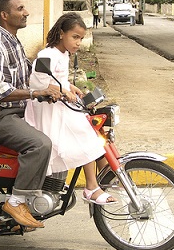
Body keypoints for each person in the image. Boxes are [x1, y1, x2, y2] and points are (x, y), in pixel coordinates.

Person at [0, 0, 61, 228]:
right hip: (3, 115)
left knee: (59, 134)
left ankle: (28, 201)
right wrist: (36, 93)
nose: (26, 13)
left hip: (23, 110)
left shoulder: (12, 40)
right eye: (20, 9)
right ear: (5, 15)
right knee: (40, 144)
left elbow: (30, 74)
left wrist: (63, 87)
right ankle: (16, 201)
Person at [25, 12, 117, 205]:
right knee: (85, 136)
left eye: (81, 39)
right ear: (61, 34)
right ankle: (91, 187)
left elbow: (60, 80)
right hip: (48, 111)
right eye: (75, 37)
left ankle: (100, 182)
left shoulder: (64, 54)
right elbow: (38, 85)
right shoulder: (47, 55)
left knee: (91, 134)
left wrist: (70, 87)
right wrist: (62, 90)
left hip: (61, 107)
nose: (78, 43)